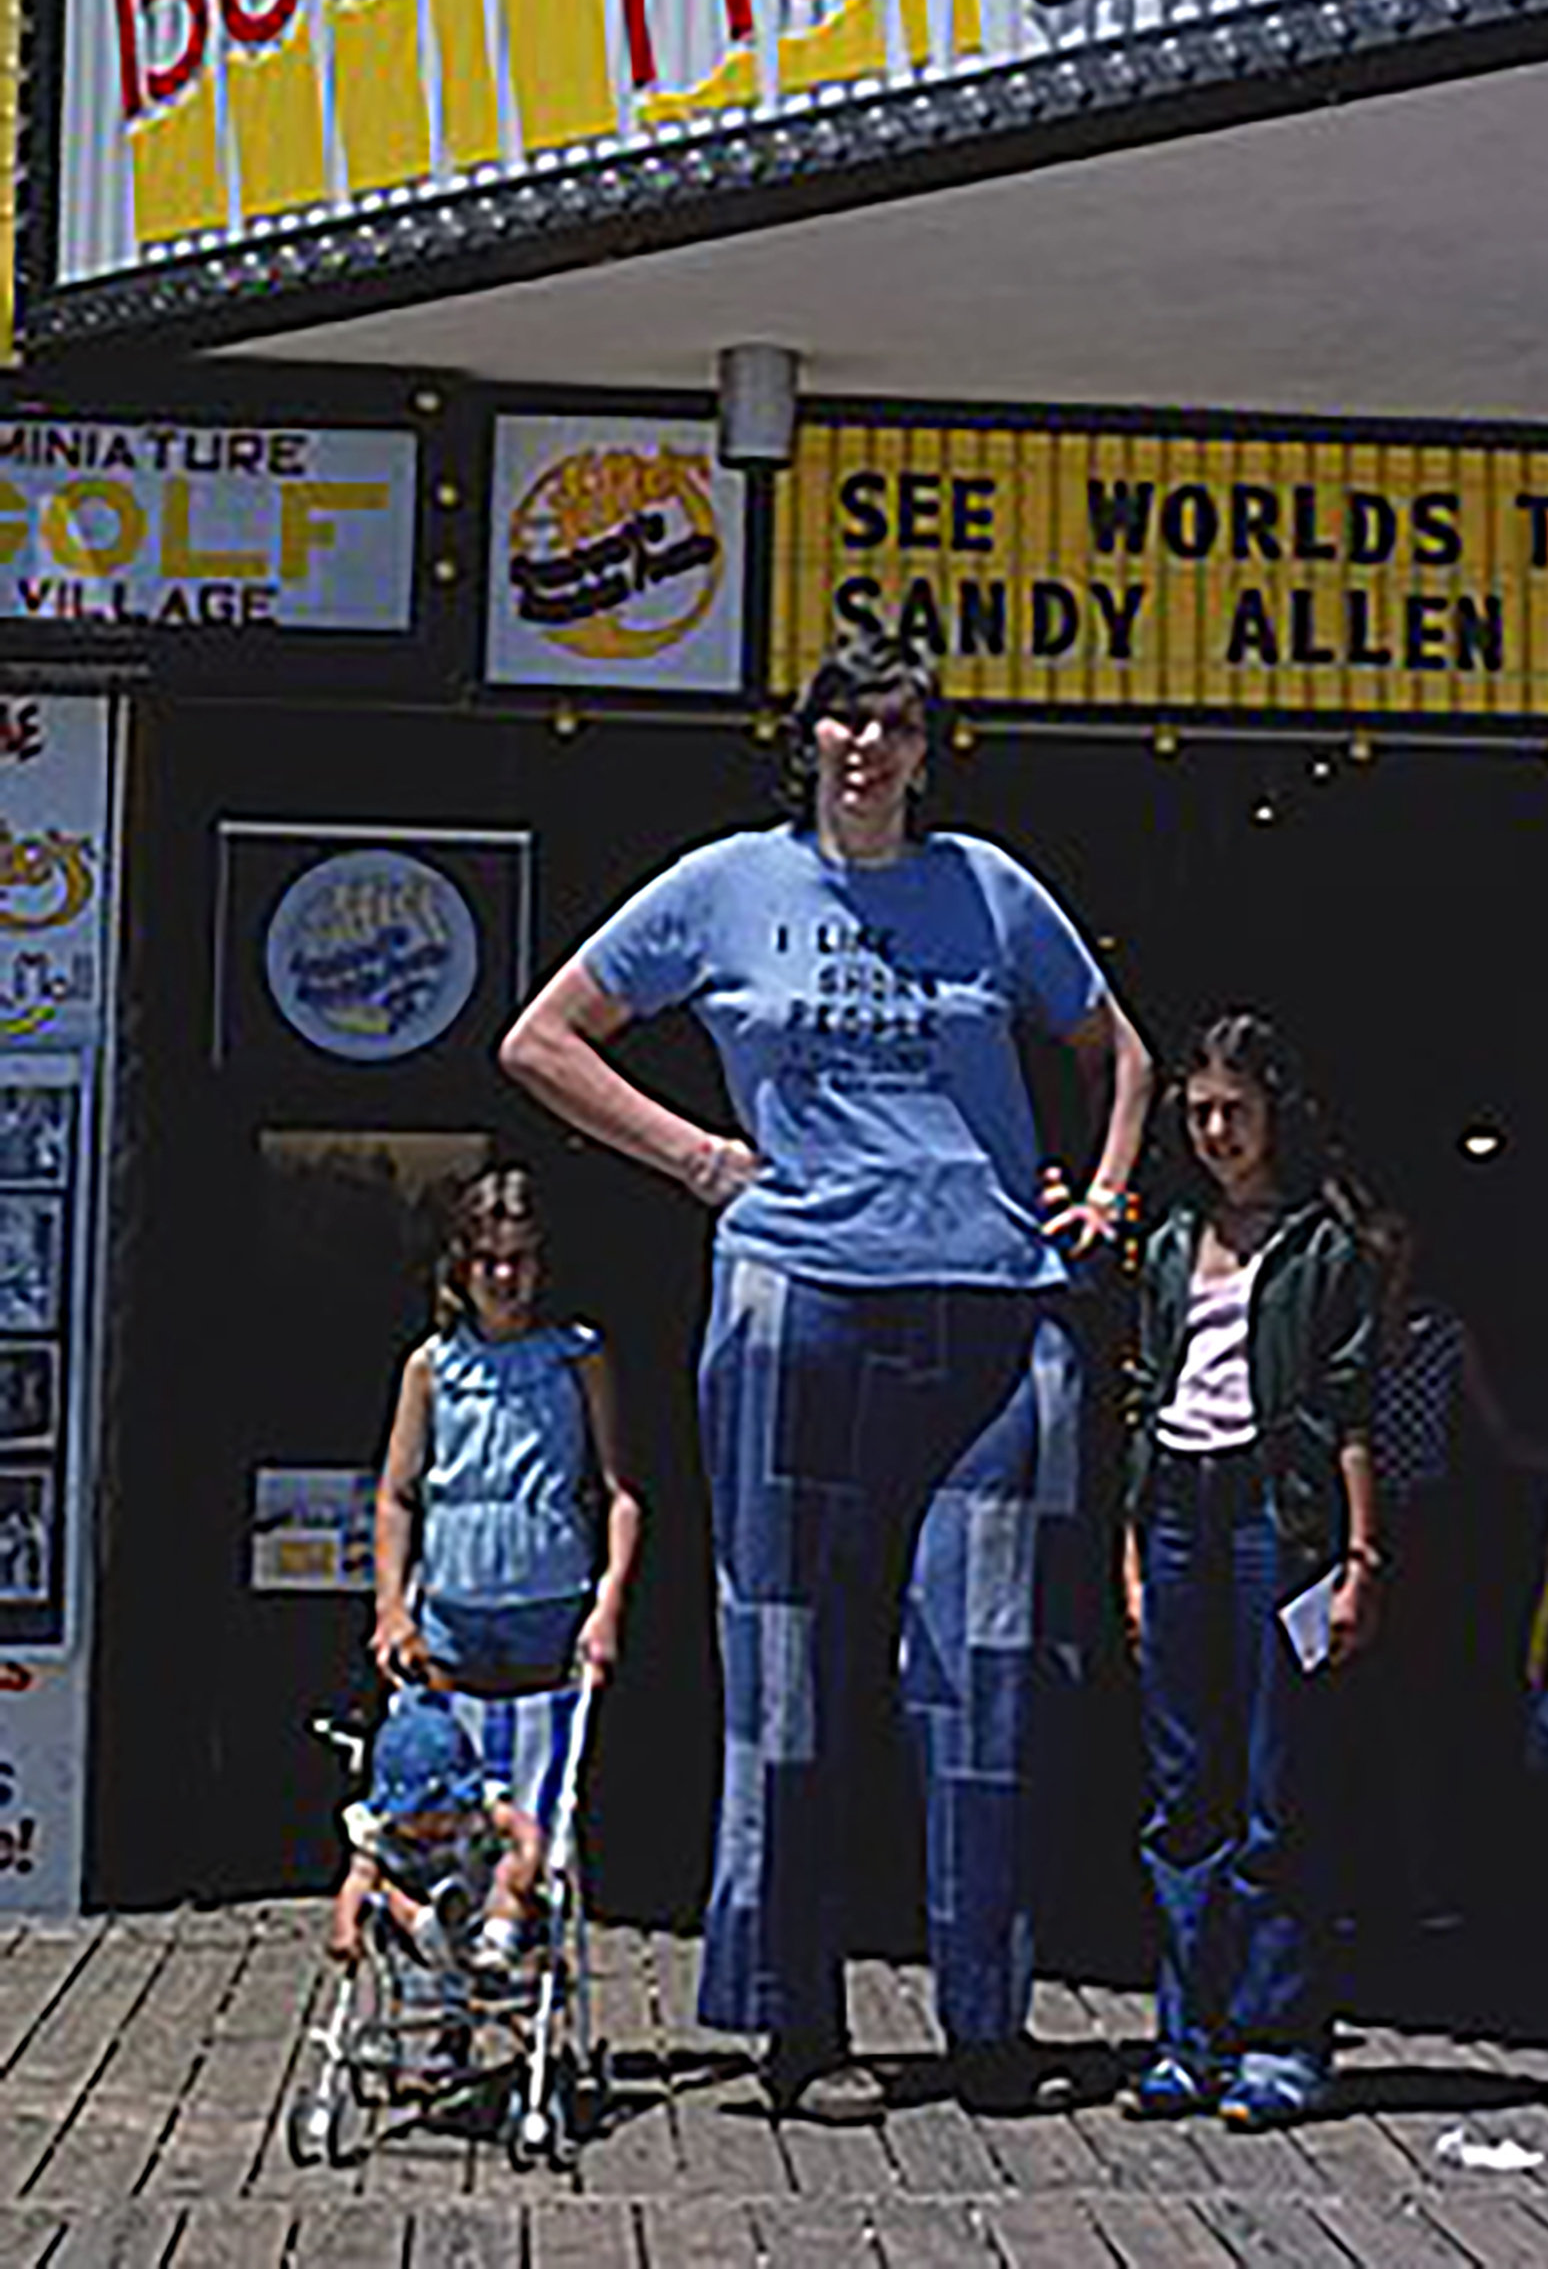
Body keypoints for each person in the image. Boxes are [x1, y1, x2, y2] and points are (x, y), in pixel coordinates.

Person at [500, 628, 1153, 2125]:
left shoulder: (991, 887)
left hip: (996, 1317)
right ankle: (798, 2027)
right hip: (797, 1307)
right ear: (804, 741)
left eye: (896, 723)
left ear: (931, 748)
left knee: (991, 1676)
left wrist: (1105, 1200)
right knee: (790, 1670)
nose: (867, 744)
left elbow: (1122, 1051)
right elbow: (541, 1039)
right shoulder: (728, 883)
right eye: (843, 720)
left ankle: (988, 2018)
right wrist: (701, 1158)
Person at [1120, 1012, 1381, 2131]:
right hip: (1179, 1502)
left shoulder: (1323, 1246)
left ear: (1276, 1110)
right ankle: (1190, 2037)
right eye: (1199, 1112)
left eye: (1235, 1109)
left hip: (1279, 1517)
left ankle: (1282, 2040)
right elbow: (1140, 1398)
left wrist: (1362, 1557)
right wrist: (1126, 1548)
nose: (1216, 1130)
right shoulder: (1174, 1238)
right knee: (1184, 1789)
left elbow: (1351, 1407)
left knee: (1278, 1783)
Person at [1341, 1204, 1548, 1933]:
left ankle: (1422, 1880)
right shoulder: (1338, 1328)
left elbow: (1491, 1427)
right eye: (1379, 1245)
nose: (1390, 1258)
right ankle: (1346, 1881)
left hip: (1422, 1527)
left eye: (1401, 1244)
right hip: (1351, 1524)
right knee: (1344, 1704)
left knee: (1416, 1706)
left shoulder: (1441, 1331)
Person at [371, 1163, 641, 1697]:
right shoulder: (431, 1365)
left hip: (550, 1604)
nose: (502, 1277)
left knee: (541, 1768)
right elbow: (396, 1497)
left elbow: (622, 1495)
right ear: (461, 1267)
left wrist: (609, 1608)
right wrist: (392, 1611)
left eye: (518, 1260)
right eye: (486, 1261)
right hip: (451, 1607)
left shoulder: (577, 1356)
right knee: (447, 1762)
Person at [330, 1689, 545, 1982]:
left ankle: (497, 1941)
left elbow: (522, 1825)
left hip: (482, 1903)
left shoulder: (478, 1809)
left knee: (507, 1871)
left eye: (444, 1816)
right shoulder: (379, 1829)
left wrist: (528, 1859)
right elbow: (356, 1882)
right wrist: (345, 1928)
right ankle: (431, 1931)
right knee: (382, 1886)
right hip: (419, 1918)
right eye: (417, 1818)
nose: (433, 1828)